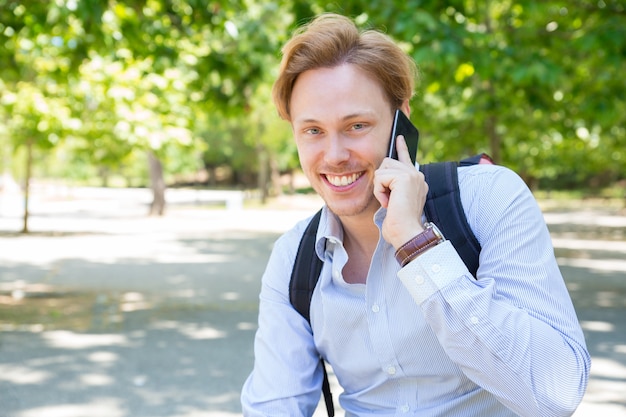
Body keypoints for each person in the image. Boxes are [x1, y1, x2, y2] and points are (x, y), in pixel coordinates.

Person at [241, 13, 590, 417]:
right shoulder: (293, 259)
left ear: (401, 119)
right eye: (313, 131)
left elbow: (554, 394)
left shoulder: (488, 199)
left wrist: (416, 244)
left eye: (356, 125)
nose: (334, 156)